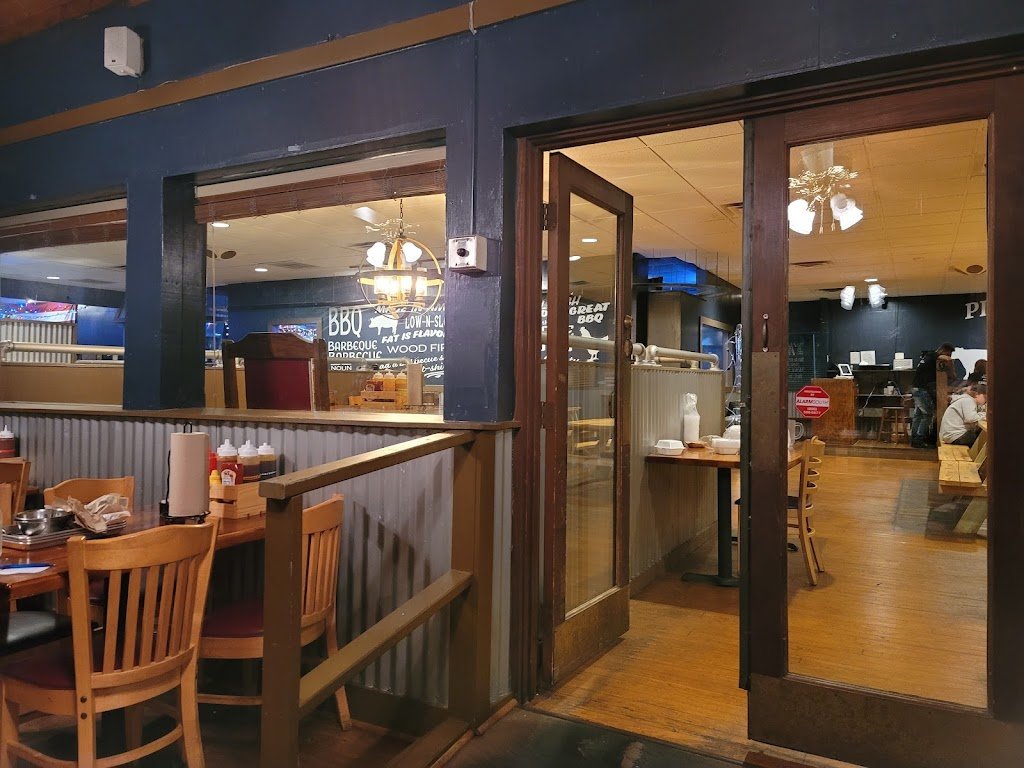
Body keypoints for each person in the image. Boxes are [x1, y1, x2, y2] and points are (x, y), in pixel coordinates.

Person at [910, 342, 954, 448]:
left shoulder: (927, 356)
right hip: (922, 389)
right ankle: (919, 439)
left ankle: (914, 439)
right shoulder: (932, 355)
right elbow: (947, 359)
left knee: (918, 415)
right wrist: (951, 364)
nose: (949, 356)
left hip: (916, 388)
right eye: (949, 353)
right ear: (943, 350)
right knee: (928, 415)